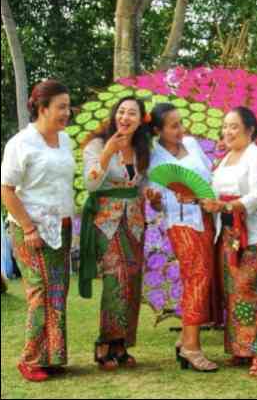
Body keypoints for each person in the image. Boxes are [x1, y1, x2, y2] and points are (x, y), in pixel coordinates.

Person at [1, 80, 75, 382]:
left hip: (63, 225)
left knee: (58, 292)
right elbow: (6, 190)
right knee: (40, 292)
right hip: (30, 229)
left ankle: (52, 357)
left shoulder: (65, 140)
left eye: (68, 107)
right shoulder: (21, 143)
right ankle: (30, 359)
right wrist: (29, 227)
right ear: (42, 109)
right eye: (61, 107)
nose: (66, 113)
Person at [80, 96, 161, 371]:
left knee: (133, 280)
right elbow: (90, 184)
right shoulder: (97, 145)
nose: (125, 118)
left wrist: (153, 196)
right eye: (122, 112)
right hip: (107, 221)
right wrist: (107, 152)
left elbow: (144, 185)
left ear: (140, 121)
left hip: (135, 222)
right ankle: (105, 343)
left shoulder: (142, 149)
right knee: (117, 278)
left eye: (132, 114)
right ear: (115, 115)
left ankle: (122, 345)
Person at [201, 107, 257, 377]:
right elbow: (213, 192)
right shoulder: (224, 158)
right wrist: (200, 200)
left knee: (249, 290)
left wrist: (225, 206)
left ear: (250, 129)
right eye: (225, 126)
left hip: (252, 234)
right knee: (232, 291)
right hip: (228, 233)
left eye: (234, 126)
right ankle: (240, 349)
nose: (227, 131)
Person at [148, 103, 220, 372]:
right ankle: (192, 346)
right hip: (180, 223)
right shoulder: (155, 158)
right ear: (158, 130)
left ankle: (185, 339)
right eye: (173, 126)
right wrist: (154, 201)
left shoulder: (192, 143)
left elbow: (210, 177)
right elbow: (157, 204)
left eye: (181, 123)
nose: (181, 129)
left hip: (206, 217)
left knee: (203, 278)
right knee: (197, 278)